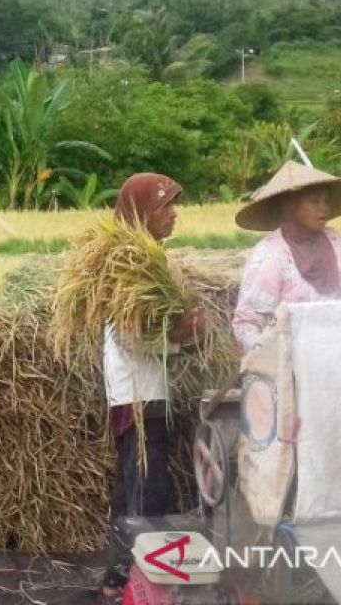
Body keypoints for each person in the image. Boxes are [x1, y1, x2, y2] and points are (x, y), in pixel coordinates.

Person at [104, 173, 203, 520]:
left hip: (153, 391)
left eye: (174, 204)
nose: (174, 213)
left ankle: (120, 573)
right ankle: (137, 570)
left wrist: (191, 333)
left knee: (137, 488)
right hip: (136, 394)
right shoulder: (126, 265)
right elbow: (127, 335)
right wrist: (177, 337)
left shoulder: (157, 261)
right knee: (147, 490)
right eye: (165, 205)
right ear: (141, 212)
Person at [233, 161, 341, 354]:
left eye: (326, 200)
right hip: (288, 359)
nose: (325, 209)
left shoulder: (336, 242)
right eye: (315, 201)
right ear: (290, 205)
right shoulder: (270, 255)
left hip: (340, 352)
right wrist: (277, 356)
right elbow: (247, 325)